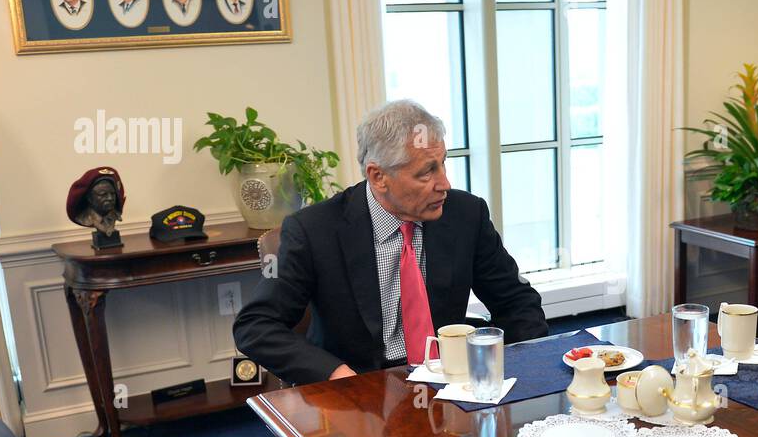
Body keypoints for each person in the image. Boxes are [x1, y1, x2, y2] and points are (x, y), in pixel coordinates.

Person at [234, 99, 549, 384]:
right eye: (426, 173)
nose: (445, 184)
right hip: (358, 389)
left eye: (443, 163)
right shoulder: (314, 231)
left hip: (450, 384)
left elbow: (517, 303)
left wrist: (516, 370)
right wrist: (335, 374)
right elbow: (256, 325)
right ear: (378, 176)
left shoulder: (466, 214)